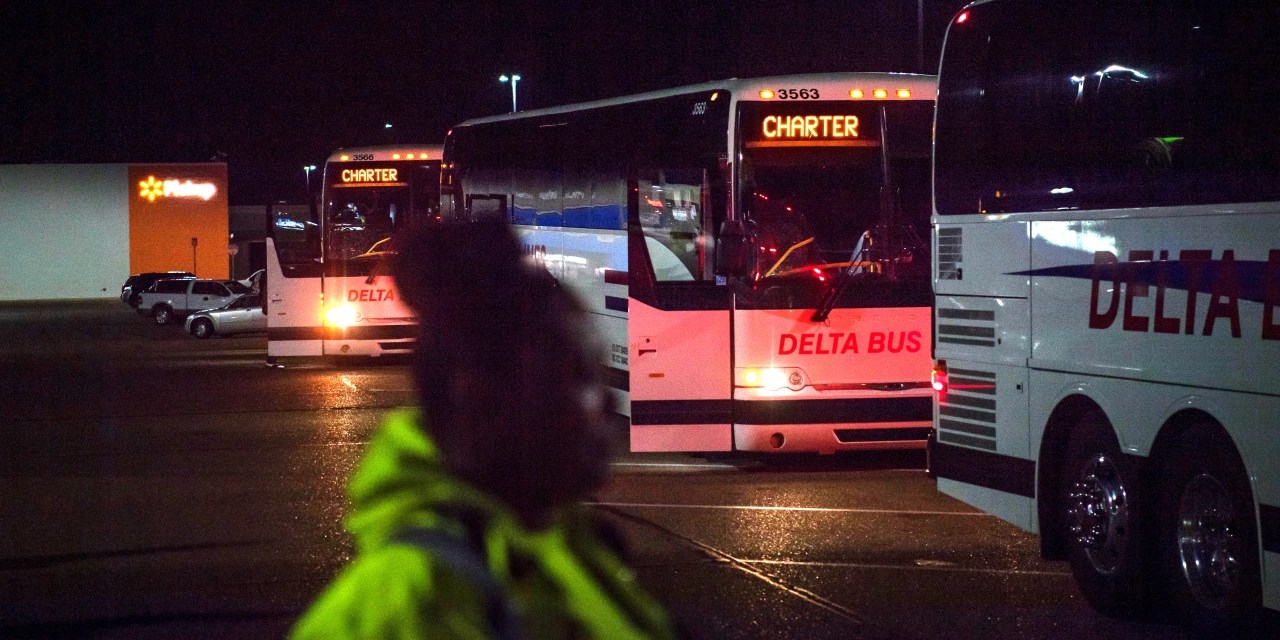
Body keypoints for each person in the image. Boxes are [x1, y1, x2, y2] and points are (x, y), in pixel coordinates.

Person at [290, 219, 675, 640]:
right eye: (576, 381)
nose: (605, 403)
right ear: (486, 398)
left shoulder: (565, 547)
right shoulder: (409, 602)